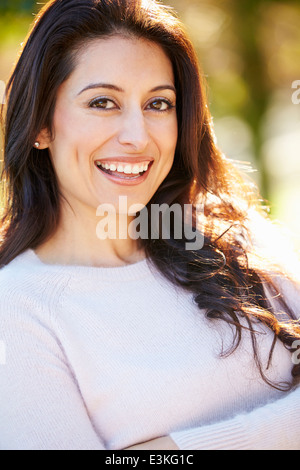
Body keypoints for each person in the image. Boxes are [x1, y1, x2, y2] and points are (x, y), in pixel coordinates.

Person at [0, 0, 299, 451]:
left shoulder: (228, 233)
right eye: (103, 102)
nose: (138, 136)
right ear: (41, 124)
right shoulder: (19, 311)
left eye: (158, 103)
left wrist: (170, 450)